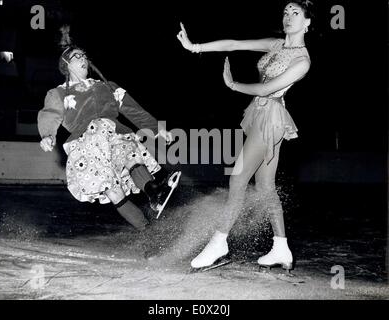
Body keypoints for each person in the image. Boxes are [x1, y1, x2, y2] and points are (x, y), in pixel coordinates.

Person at [177, 0, 313, 270]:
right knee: (265, 187)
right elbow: (235, 44)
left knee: (238, 178)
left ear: (308, 23)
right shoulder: (277, 45)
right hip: (260, 115)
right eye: (285, 11)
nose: (288, 16)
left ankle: (219, 242)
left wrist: (233, 85)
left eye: (295, 13)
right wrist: (194, 47)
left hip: (270, 118)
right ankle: (281, 248)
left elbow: (267, 89)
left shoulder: (302, 60)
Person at [38, 26, 181, 231]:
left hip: (115, 135)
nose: (83, 58)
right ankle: (146, 230)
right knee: (112, 190)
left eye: (84, 55)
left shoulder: (107, 86)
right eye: (77, 56)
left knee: (132, 155)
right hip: (88, 146)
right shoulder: (58, 93)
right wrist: (47, 135)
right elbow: (49, 114)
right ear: (66, 64)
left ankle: (155, 193)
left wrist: (158, 128)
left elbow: (133, 110)